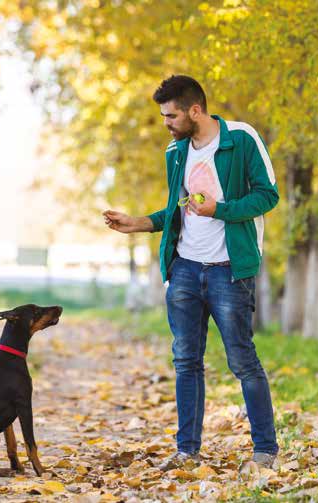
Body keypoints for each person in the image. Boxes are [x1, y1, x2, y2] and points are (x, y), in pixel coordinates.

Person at [103, 75, 279, 470]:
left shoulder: (241, 139)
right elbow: (178, 209)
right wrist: (139, 223)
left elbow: (268, 195)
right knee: (185, 361)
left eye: (171, 115)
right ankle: (187, 451)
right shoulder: (176, 151)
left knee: (242, 361)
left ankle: (265, 452)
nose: (166, 123)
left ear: (194, 110)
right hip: (184, 270)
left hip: (229, 271)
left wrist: (221, 209)